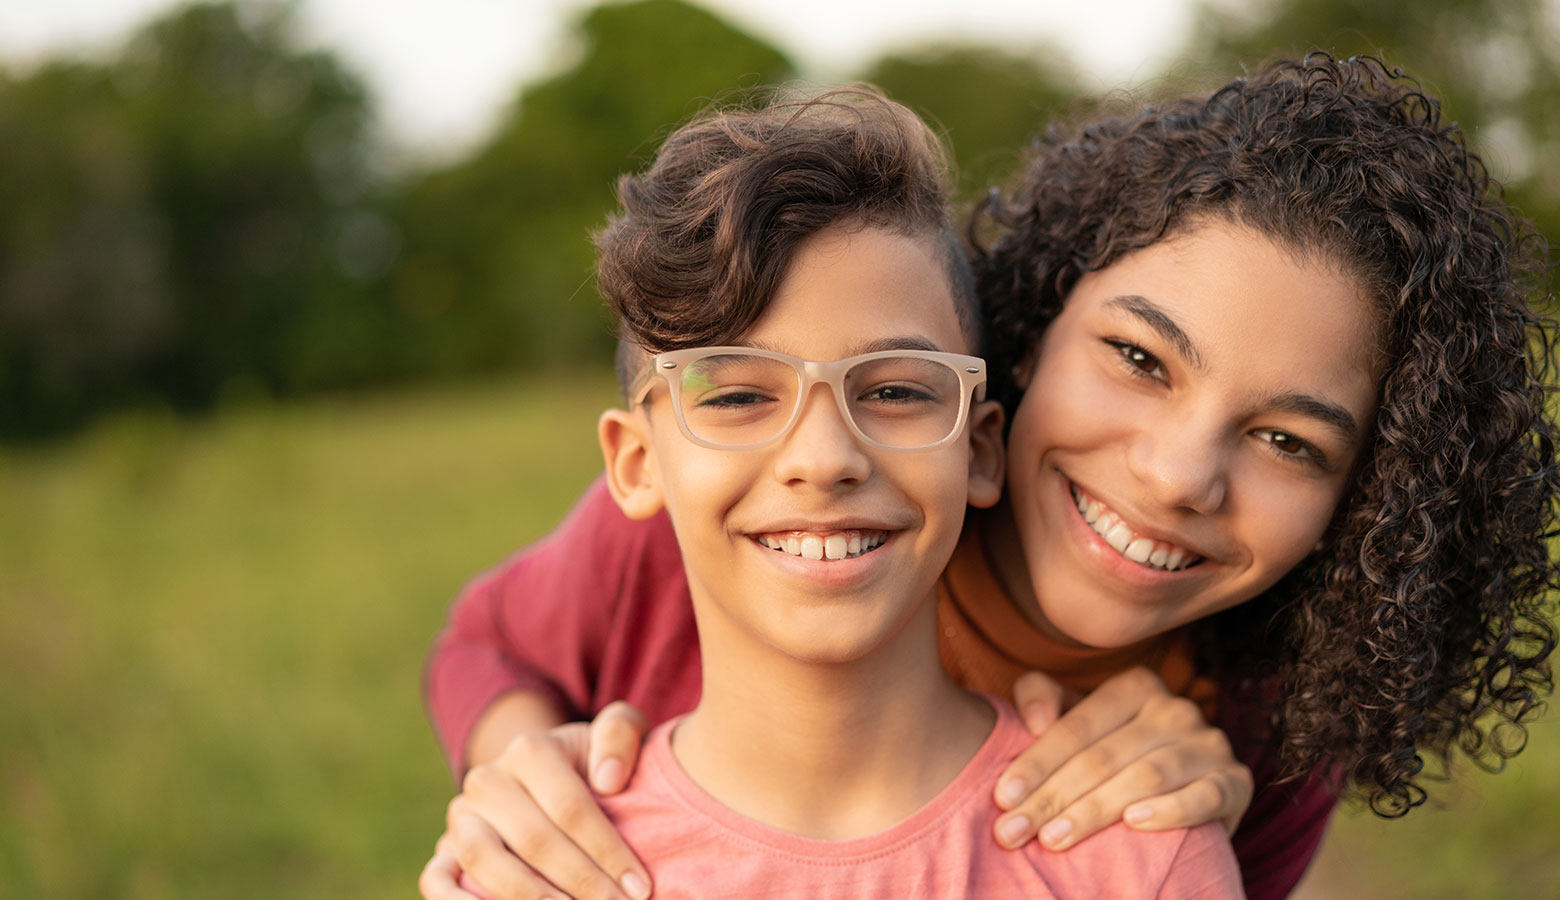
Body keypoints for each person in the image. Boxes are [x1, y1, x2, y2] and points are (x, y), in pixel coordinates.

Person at [422, 54, 1558, 900]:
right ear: (1036, 329)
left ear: (1365, 513)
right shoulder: (730, 503)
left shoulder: (1250, 756)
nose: (1174, 477)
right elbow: (488, 646)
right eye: (1136, 358)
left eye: (1288, 443)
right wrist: (524, 776)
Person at [453, 83, 1245, 900]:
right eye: (734, 396)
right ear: (635, 464)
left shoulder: (1143, 858)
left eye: (898, 391)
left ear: (980, 451)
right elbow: (480, 646)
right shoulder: (536, 866)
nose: (825, 457)